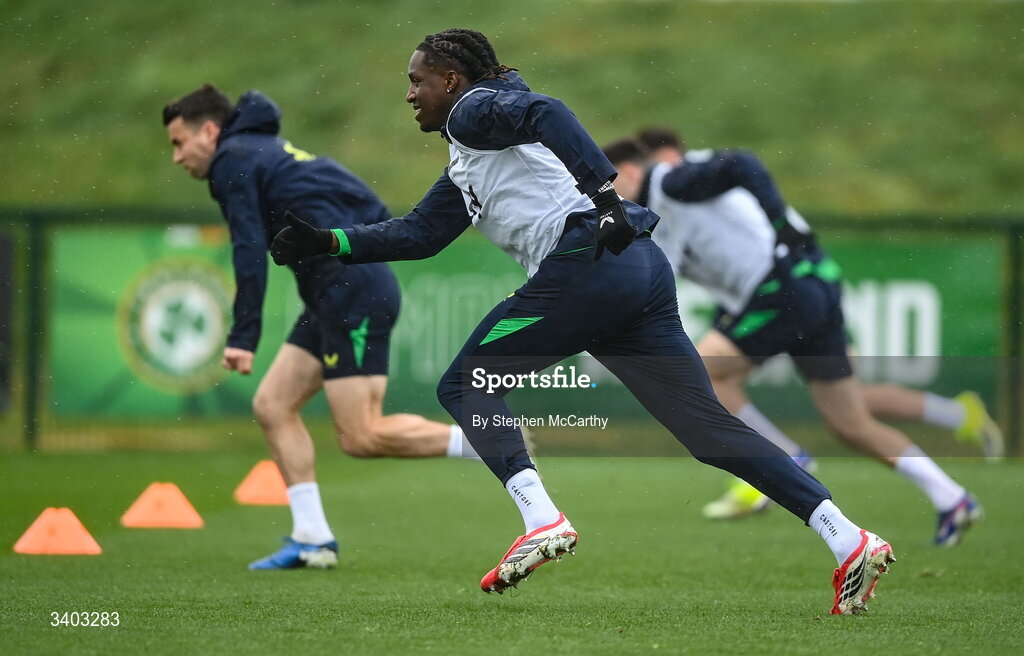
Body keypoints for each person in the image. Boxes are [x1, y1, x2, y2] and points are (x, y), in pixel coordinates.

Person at [271, 28, 894, 615]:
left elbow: (550, 111)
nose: (409, 94)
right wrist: (326, 242)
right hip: (637, 270)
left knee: (466, 384)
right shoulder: (468, 154)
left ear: (452, 80)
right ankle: (848, 540)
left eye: (417, 81)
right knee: (708, 432)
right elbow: (418, 234)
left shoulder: (474, 108)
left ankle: (541, 520)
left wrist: (604, 197)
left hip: (589, 259)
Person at [602, 136, 982, 546]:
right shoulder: (650, 215)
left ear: (632, 171)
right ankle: (952, 497)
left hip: (783, 289)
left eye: (606, 182)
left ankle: (787, 453)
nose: (601, 194)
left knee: (697, 371)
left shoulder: (667, 182)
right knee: (849, 423)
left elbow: (742, 162)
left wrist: (782, 225)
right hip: (800, 292)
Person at [162, 84, 481, 570]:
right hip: (340, 289)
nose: (176, 157)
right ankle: (312, 538)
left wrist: (242, 335)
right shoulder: (271, 151)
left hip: (350, 292)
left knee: (362, 436)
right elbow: (369, 205)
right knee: (272, 406)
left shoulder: (233, 158)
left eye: (179, 142)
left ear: (209, 131)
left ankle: (485, 440)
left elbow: (248, 248)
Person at [636, 126, 1004, 465]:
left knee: (846, 406)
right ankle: (954, 418)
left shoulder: (699, 181)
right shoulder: (690, 193)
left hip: (795, 287)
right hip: (789, 288)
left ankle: (779, 462)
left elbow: (757, 237)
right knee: (845, 406)